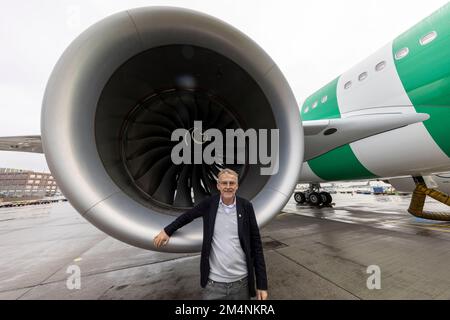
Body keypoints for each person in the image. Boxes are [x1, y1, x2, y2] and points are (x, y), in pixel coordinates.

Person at [154, 168, 268, 300]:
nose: (228, 187)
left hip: (241, 284)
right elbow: (187, 216)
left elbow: (257, 246)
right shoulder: (209, 204)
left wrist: (262, 285)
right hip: (214, 285)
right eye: (224, 183)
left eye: (232, 183)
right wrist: (167, 231)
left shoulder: (246, 206)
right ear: (218, 186)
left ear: (237, 186)